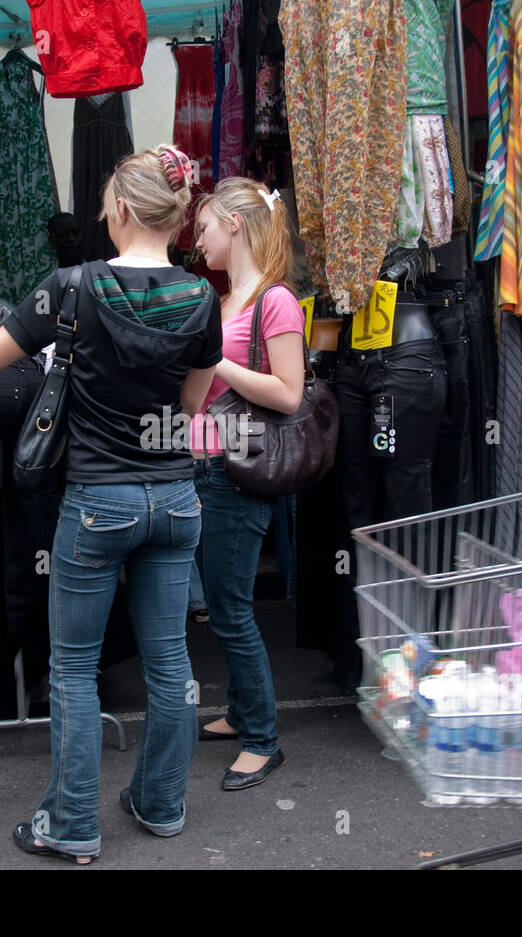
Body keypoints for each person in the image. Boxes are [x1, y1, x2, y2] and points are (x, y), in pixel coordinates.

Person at [0, 145, 221, 864]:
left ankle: (72, 824)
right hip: (175, 500)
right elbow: (190, 403)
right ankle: (160, 806)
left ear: (119, 209)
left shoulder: (72, 287)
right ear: (176, 213)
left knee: (74, 670)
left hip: (99, 503)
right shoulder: (201, 297)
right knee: (169, 662)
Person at [189, 177, 306, 791]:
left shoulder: (274, 300)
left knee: (231, 609)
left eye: (204, 226)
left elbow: (288, 394)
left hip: (239, 472)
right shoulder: (227, 298)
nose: (198, 239)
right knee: (224, 601)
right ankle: (240, 715)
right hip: (211, 467)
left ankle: (264, 738)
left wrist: (213, 360)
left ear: (234, 225)